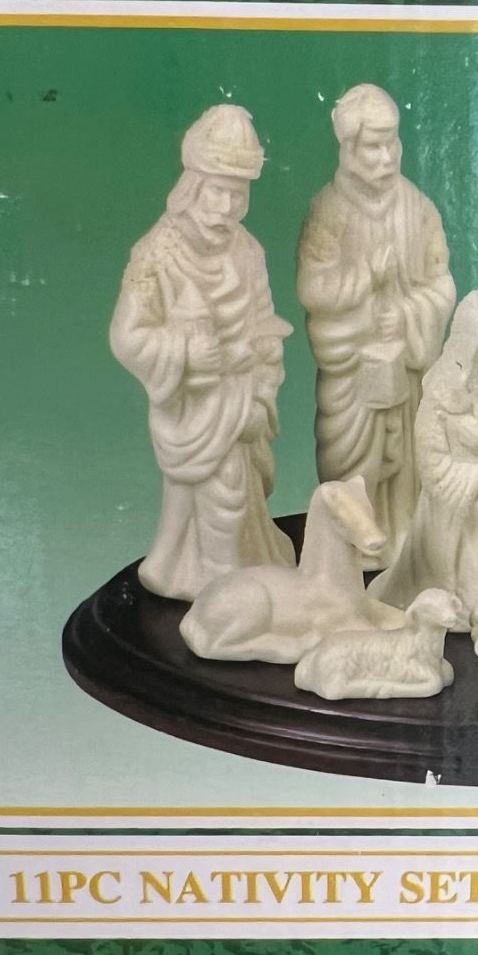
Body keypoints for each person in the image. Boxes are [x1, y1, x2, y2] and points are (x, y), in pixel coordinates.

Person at [110, 104, 294, 603]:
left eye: (238, 194)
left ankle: (230, 572)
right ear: (192, 186)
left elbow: (266, 326)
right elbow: (127, 336)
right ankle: (223, 592)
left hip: (244, 400)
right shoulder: (157, 253)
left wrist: (262, 385)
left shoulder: (247, 251)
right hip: (196, 406)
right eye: (217, 191)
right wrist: (187, 353)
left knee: (243, 489)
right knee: (223, 490)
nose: (227, 207)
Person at [297, 84, 456, 563]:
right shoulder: (328, 211)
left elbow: (442, 283)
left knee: (409, 458)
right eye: (373, 145)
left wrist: (405, 315)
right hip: (352, 367)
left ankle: (407, 538)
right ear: (348, 148)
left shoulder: (419, 208)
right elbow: (313, 289)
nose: (386, 156)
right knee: (349, 460)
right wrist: (366, 280)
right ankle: (352, 544)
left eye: (392, 143)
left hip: (406, 362)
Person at [372, 290, 478, 625]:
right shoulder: (442, 395)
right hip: (465, 519)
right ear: (472, 348)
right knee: (472, 600)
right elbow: (436, 471)